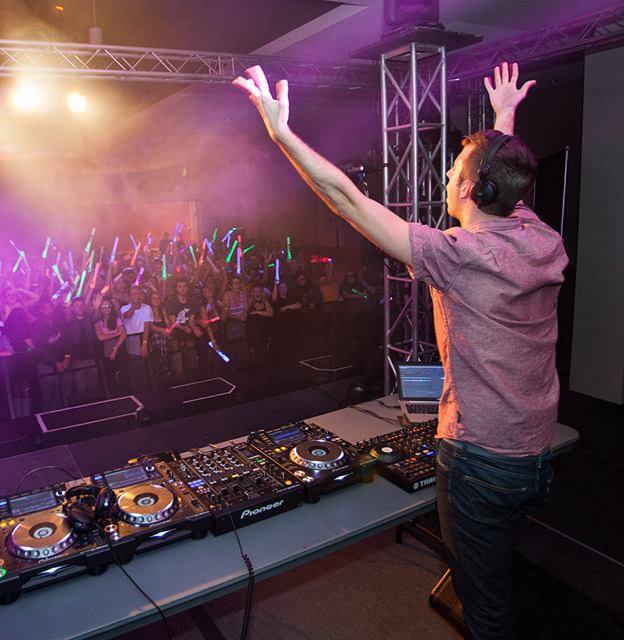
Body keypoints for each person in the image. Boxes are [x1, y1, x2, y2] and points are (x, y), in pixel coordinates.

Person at [235, 61, 564, 639]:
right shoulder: (542, 239)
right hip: (535, 454)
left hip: (480, 458)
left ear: (468, 188)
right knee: (494, 570)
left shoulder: (457, 255)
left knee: (484, 608)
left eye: (454, 170)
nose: (444, 179)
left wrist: (281, 135)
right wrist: (504, 124)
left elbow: (347, 201)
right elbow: (510, 191)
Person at [120, 286, 153, 392]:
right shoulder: (124, 308)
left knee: (145, 367)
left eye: (138, 293)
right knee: (134, 368)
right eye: (133, 294)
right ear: (130, 296)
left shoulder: (147, 307)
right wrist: (134, 306)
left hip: (143, 337)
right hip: (131, 339)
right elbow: (127, 316)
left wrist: (144, 344)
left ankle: (147, 391)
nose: (136, 296)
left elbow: (147, 326)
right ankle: (135, 392)